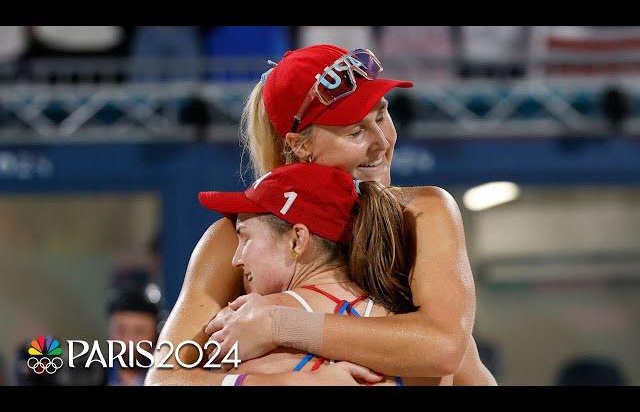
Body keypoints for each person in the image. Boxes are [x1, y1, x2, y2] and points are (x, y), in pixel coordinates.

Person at [146, 44, 495, 386]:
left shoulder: (421, 212)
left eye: (381, 114)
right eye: (355, 130)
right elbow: (164, 378)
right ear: (300, 145)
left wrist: (280, 324)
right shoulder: (238, 234)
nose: (381, 141)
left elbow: (444, 348)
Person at [199, 162, 455, 385]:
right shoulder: (424, 352)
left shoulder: (245, 326)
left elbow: (165, 376)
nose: (235, 259)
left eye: (245, 238)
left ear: (297, 240)